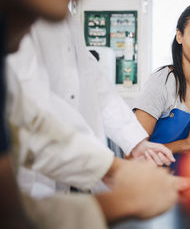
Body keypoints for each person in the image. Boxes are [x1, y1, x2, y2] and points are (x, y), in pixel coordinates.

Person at [0, 0, 184, 228]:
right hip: (40, 178)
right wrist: (118, 193)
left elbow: (88, 82)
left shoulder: (57, 14)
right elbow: (29, 127)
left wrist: (128, 153)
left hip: (76, 172)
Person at [7, 11, 175, 197]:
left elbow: (95, 83)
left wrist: (135, 143)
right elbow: (30, 114)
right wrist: (114, 170)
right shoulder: (16, 16)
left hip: (76, 173)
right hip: (30, 181)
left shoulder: (67, 21)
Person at [134, 3, 190, 167]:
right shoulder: (161, 83)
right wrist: (188, 143)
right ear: (179, 36)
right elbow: (132, 158)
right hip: (155, 187)